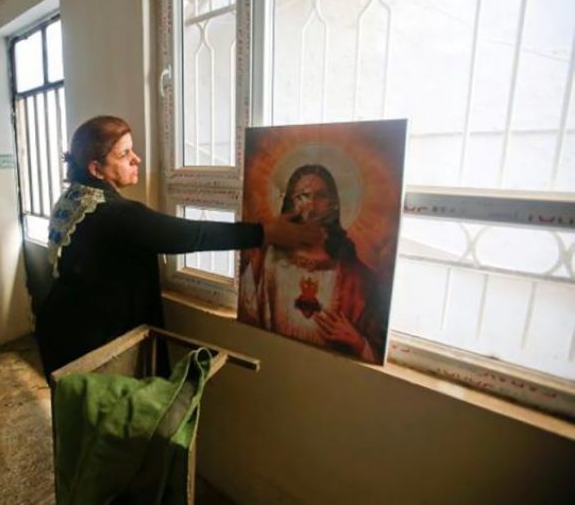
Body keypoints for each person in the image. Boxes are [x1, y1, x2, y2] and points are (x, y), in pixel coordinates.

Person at [35, 115, 323, 378]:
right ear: (96, 169)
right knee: (105, 415)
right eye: (124, 154)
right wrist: (265, 232)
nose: (137, 159)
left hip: (61, 328)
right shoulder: (115, 214)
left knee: (75, 412)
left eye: (132, 150)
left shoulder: (73, 198)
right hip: (92, 346)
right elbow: (192, 235)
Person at [239, 164, 387, 363]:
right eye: (303, 196)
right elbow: (248, 319)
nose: (311, 204)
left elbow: (374, 348)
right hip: (274, 359)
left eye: (321, 196)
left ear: (333, 203)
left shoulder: (356, 276)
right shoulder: (265, 260)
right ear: (291, 202)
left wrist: (359, 343)